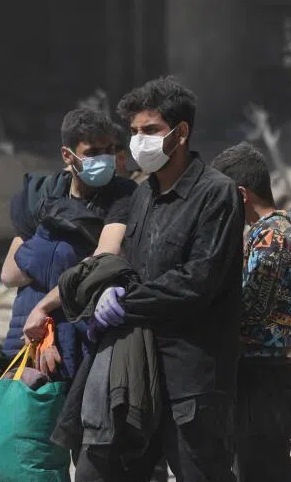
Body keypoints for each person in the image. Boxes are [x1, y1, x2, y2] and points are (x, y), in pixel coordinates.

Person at [75, 76, 244, 482]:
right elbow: (130, 262)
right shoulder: (141, 195)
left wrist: (125, 303)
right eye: (133, 132)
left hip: (193, 378)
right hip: (138, 369)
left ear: (180, 132)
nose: (138, 142)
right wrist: (106, 290)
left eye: (149, 130)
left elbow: (196, 281)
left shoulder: (215, 193)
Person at [211, 142, 291, 482]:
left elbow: (254, 309)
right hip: (279, 371)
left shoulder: (270, 237)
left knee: (260, 468)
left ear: (241, 194)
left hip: (259, 376)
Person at [1, 108, 137, 379]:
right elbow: (10, 274)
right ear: (68, 155)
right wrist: (69, 262)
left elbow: (103, 260)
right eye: (92, 152)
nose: (103, 158)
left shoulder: (122, 195)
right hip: (28, 334)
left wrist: (44, 304)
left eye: (108, 149)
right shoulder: (42, 194)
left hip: (80, 337)